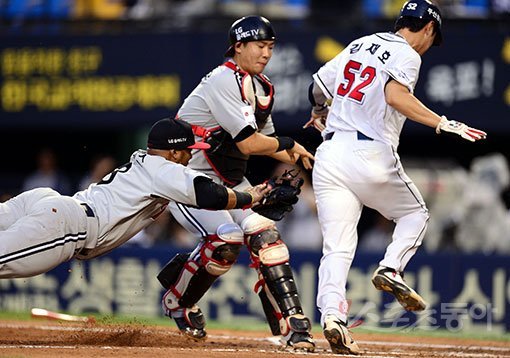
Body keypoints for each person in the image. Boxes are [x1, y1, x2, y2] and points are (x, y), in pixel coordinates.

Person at [305, 0, 487, 354]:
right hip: (369, 152)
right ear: (429, 30)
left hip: (329, 154)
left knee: (337, 247)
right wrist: (441, 122)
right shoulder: (407, 54)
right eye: (433, 39)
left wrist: (317, 112)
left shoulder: (359, 43)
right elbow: (395, 95)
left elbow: (318, 87)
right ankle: (391, 267)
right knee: (415, 213)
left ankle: (332, 318)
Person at [158, 15, 316, 352]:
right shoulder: (224, 79)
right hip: (186, 180)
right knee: (226, 240)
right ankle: (177, 300)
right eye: (260, 45)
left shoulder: (261, 87)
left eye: (270, 46)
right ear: (239, 46)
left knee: (267, 237)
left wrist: (305, 157)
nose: (266, 53)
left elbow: (268, 141)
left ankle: (294, 326)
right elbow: (249, 144)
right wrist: (290, 146)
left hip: (228, 181)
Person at [0, 118, 270, 279]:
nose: (191, 156)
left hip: (49, 205)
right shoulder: (163, 169)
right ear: (174, 153)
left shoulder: (145, 161)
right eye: (188, 150)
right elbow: (209, 195)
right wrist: (250, 197)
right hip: (67, 226)